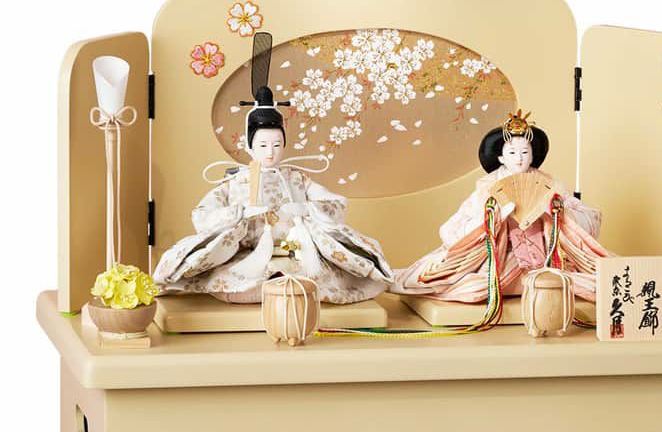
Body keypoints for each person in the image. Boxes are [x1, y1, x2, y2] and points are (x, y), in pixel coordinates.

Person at [153, 101, 393, 305]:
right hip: (248, 255)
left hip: (296, 253)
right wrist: (238, 213)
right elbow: (203, 214)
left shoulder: (297, 178)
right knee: (236, 284)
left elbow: (335, 203)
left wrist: (307, 209)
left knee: (314, 280)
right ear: (249, 146)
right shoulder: (236, 182)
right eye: (263, 145)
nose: (270, 152)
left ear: (284, 145)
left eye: (277, 145)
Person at [392, 110, 611, 302]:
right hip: (502, 252)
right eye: (512, 153)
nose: (519, 159)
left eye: (525, 152)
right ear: (501, 158)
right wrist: (496, 217)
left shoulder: (549, 184)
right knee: (476, 288)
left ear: (532, 155)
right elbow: (453, 227)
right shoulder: (488, 186)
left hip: (546, 252)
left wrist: (554, 214)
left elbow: (586, 216)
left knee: (597, 281)